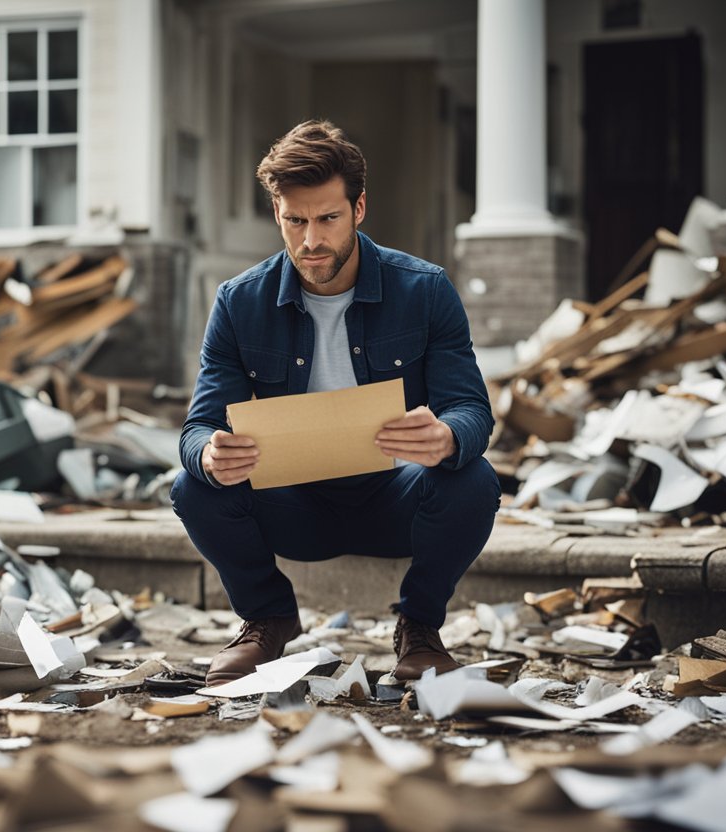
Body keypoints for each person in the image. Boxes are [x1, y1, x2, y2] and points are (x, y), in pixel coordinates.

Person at [171, 120, 500, 686]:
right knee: (191, 487)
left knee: (475, 479)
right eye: (295, 220)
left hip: (396, 500)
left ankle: (419, 628)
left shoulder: (424, 289)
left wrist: (447, 436)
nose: (310, 241)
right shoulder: (238, 302)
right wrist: (208, 453)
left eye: (327, 218)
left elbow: (471, 410)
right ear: (277, 212)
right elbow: (198, 426)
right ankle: (267, 619)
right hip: (293, 508)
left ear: (359, 208)